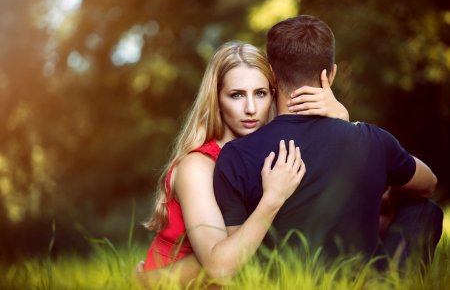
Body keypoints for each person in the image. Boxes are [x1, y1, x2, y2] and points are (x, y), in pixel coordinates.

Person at [213, 15, 443, 269]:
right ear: (330, 75)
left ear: (271, 75)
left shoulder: (235, 155)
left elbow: (236, 265)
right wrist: (386, 186)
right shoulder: (373, 140)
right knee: (424, 209)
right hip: (363, 281)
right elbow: (427, 183)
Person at [137, 41, 349, 285]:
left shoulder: (274, 151)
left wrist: (341, 120)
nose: (250, 109)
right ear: (217, 99)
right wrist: (147, 283)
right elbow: (218, 267)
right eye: (236, 95)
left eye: (260, 93)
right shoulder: (197, 167)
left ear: (273, 94)